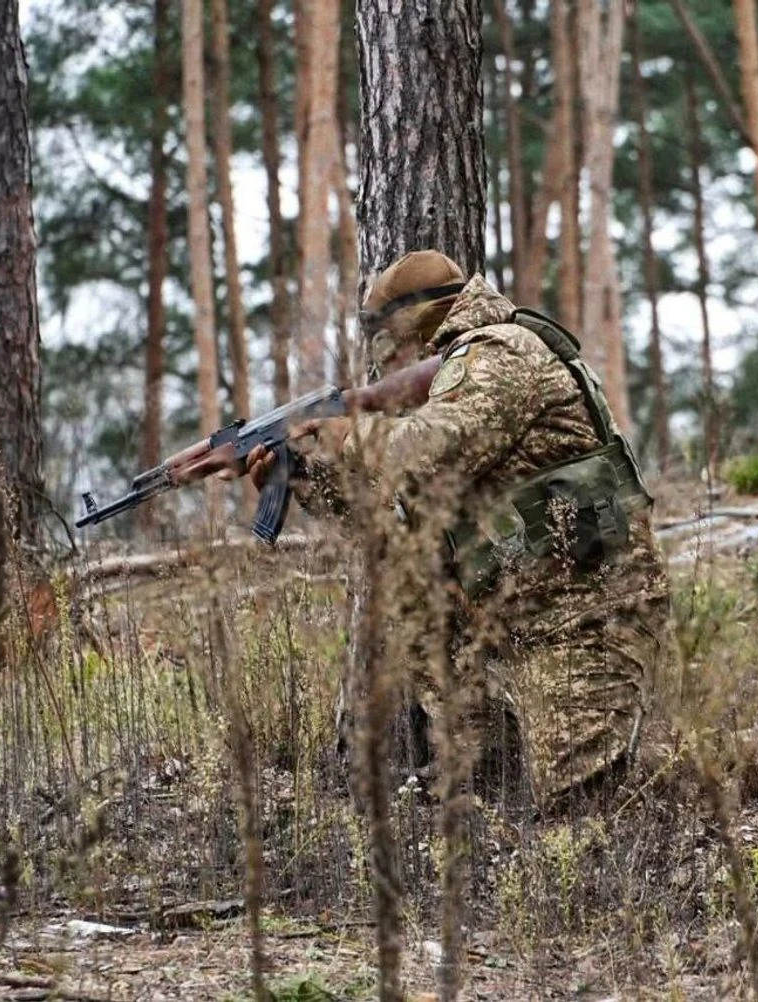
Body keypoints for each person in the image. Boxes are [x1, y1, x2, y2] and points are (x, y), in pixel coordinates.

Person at [226, 250, 677, 814]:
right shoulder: (460, 375)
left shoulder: (502, 353)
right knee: (416, 588)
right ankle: (486, 771)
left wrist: (345, 433)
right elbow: (395, 523)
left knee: (579, 807)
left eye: (391, 334)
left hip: (591, 612)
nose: (390, 351)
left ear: (418, 319)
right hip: (522, 603)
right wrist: (303, 480)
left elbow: (419, 454)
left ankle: (755, 755)